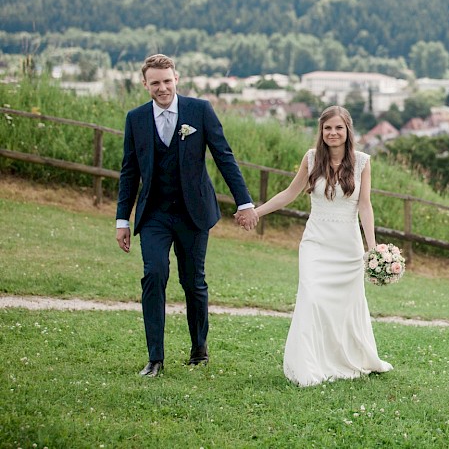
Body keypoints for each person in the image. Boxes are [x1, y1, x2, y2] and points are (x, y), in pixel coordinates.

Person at [116, 54, 258, 378]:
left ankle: (199, 350)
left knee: (192, 282)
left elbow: (224, 157)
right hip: (154, 214)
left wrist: (244, 202)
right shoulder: (135, 119)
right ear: (145, 84)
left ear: (176, 78)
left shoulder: (200, 110)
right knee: (154, 274)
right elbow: (129, 173)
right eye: (155, 83)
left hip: (193, 213)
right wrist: (122, 220)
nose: (162, 88)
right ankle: (155, 358)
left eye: (167, 81)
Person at [246, 105, 392, 386]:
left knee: (345, 306)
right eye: (327, 128)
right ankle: (308, 364)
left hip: (347, 246)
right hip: (316, 242)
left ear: (348, 130)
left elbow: (365, 206)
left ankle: (344, 358)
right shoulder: (312, 159)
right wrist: (256, 211)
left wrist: (372, 249)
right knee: (311, 298)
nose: (333, 133)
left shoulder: (362, 162)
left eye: (338, 127)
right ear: (321, 132)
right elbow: (289, 194)